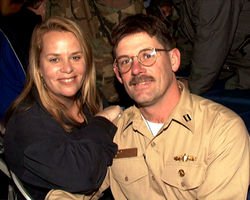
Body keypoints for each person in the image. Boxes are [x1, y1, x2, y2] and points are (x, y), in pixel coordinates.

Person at [45, 14, 250, 200]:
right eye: (125, 61)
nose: (136, 69)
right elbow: (72, 191)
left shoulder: (221, 129)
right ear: (118, 74)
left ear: (173, 60)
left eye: (147, 55)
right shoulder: (114, 131)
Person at [3, 16, 123, 200]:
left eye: (75, 57)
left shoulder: (91, 100)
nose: (68, 68)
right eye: (54, 59)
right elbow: (83, 175)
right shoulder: (25, 123)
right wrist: (103, 121)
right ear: (39, 67)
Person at [172, 0, 250, 95]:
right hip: (227, 63)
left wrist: (190, 89)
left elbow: (211, 45)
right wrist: (173, 66)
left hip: (242, 66)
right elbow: (187, 32)